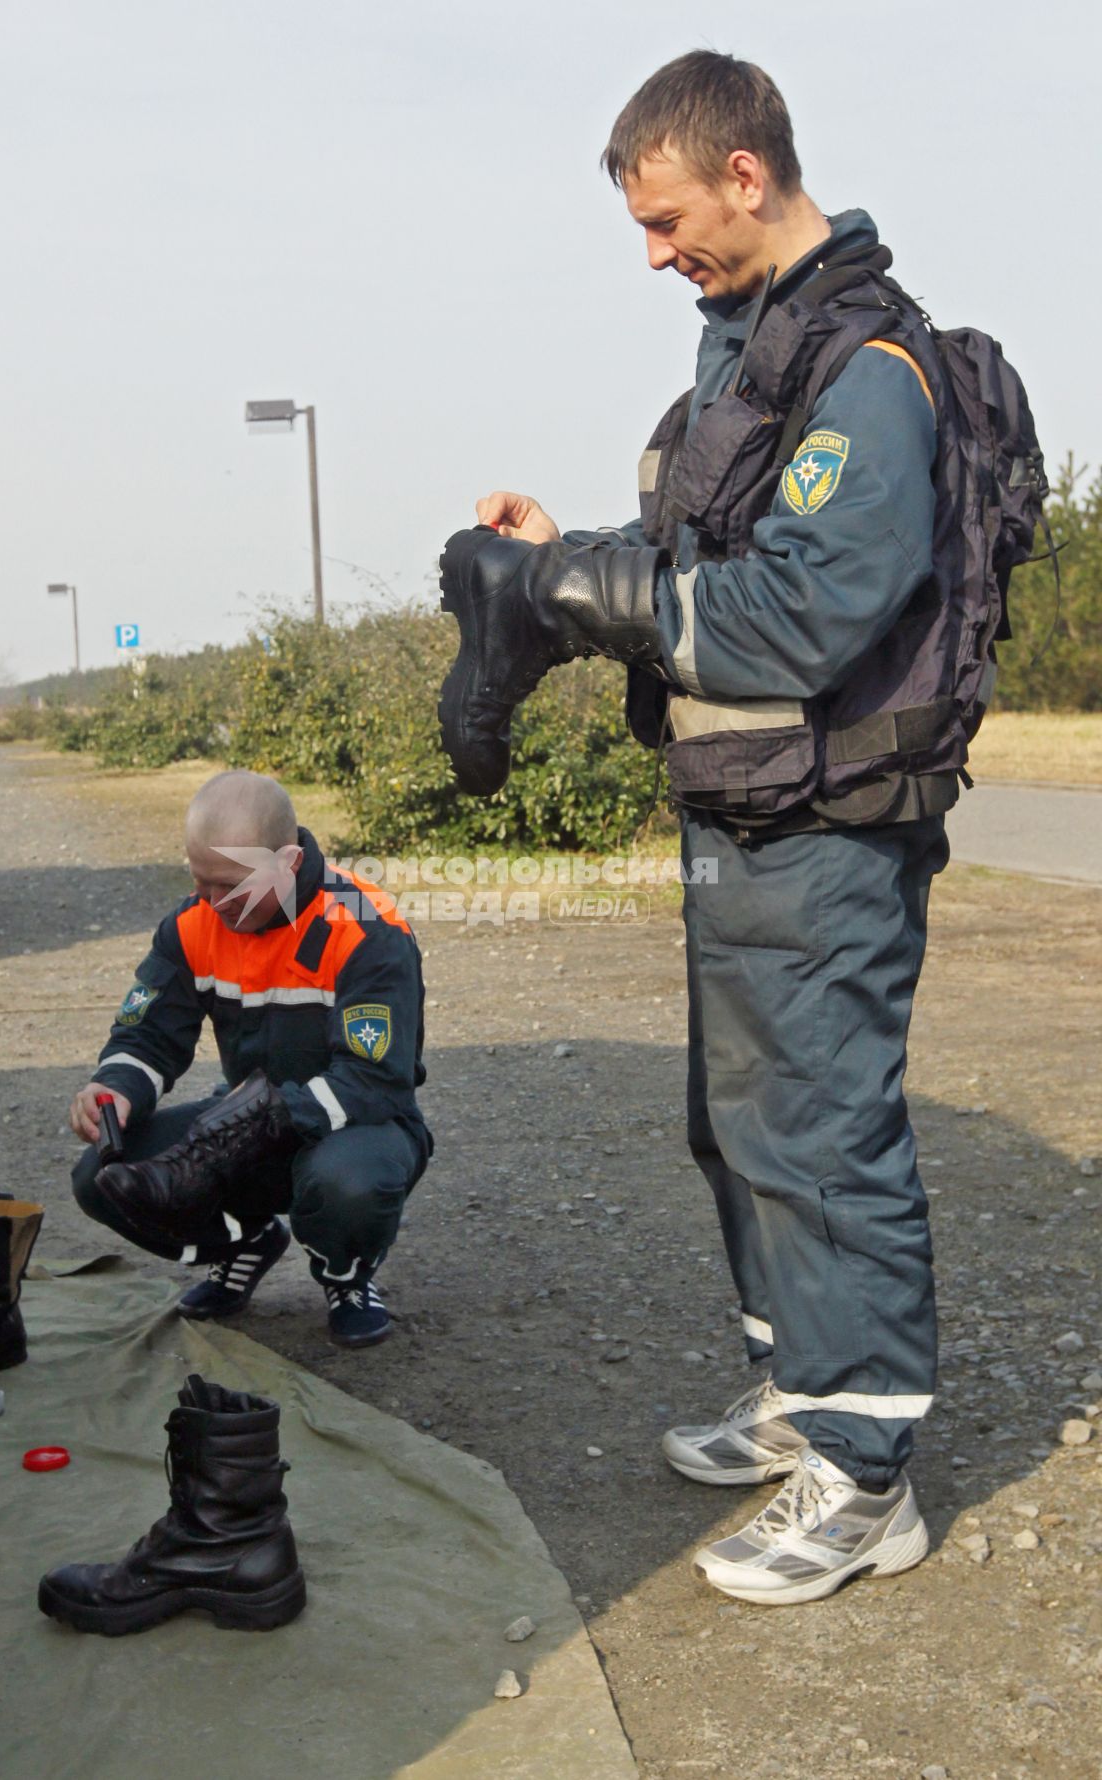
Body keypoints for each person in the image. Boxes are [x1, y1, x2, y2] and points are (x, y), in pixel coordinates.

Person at [438, 50, 961, 1602]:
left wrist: (583, 594)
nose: (657, 254)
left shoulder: (869, 369)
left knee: (821, 1130)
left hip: (830, 826)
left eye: (667, 219)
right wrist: (560, 560)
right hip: (741, 817)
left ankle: (868, 1474)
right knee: (738, 1122)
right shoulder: (747, 363)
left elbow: (800, 615)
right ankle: (805, 1389)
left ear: (747, 172)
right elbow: (690, 566)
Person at [69, 770, 431, 1349]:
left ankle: (347, 1275)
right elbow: (148, 1036)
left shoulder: (366, 930)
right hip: (240, 1126)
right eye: (200, 881)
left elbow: (373, 1081)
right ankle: (246, 1243)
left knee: (349, 1183)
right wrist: (114, 1089)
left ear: (287, 863)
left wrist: (250, 1128)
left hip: (354, 1127)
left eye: (230, 887)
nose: (213, 904)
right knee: (99, 1177)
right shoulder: (193, 924)